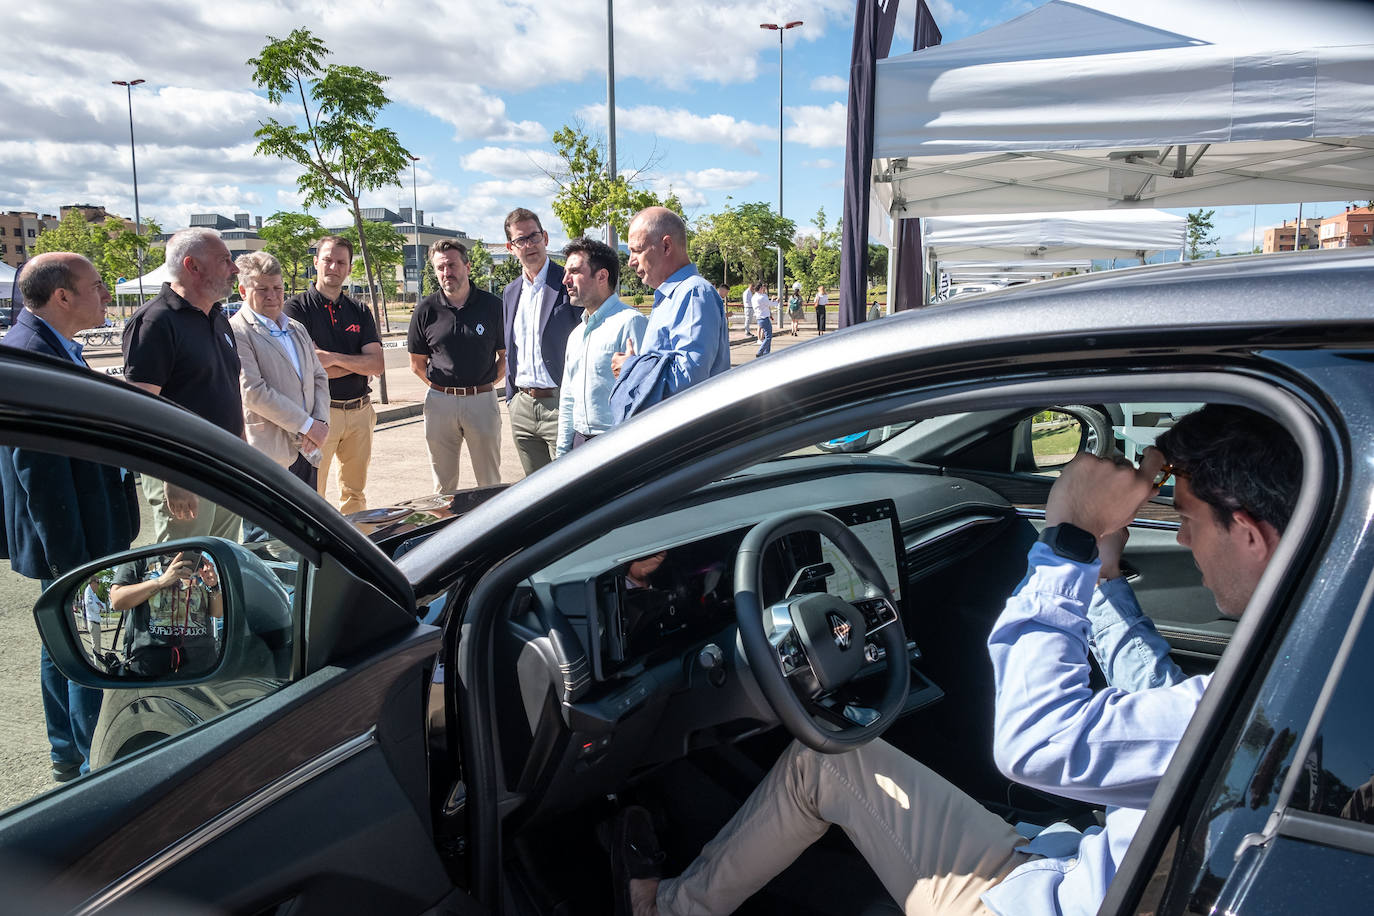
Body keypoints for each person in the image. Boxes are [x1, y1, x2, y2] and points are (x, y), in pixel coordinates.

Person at [615, 404, 1301, 916]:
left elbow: (1034, 744)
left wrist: (1066, 543)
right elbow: (1167, 696)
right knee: (830, 761)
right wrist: (1106, 577)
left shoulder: (1289, 686)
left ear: (1246, 532)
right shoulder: (1312, 664)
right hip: (1073, 864)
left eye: (1186, 516)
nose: (1179, 535)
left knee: (821, 762)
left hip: (1052, 898)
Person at [0, 252, 140, 781]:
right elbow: (38, 469)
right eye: (98, 285)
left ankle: (68, 755)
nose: (106, 295)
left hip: (83, 529)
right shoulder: (32, 355)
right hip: (73, 538)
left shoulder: (51, 347)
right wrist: (71, 563)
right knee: (88, 647)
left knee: (65, 641)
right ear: (62, 296)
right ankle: (90, 768)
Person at [122, 227, 243, 542]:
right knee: (182, 574)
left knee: (220, 567)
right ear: (193, 266)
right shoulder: (154, 322)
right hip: (186, 473)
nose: (235, 269)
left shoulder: (217, 317)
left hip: (226, 467)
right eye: (225, 260)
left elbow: (226, 392)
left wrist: (243, 455)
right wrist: (173, 475)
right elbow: (140, 412)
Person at [284, 236, 384, 515]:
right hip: (319, 414)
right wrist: (355, 363)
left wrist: (332, 359)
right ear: (315, 262)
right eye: (327, 260)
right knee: (312, 495)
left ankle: (353, 552)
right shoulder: (295, 309)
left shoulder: (360, 311)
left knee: (355, 492)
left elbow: (376, 364)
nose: (333, 266)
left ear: (349, 268)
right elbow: (306, 366)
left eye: (341, 262)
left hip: (360, 412)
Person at [610, 207, 729, 419]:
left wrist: (630, 369)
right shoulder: (670, 296)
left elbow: (689, 378)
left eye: (637, 250)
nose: (630, 261)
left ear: (666, 246)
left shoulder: (693, 293)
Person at [408, 240, 505, 491]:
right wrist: (444, 389)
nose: (446, 273)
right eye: (440, 267)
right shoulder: (425, 310)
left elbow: (505, 356)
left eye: (451, 265)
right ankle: (445, 526)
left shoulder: (493, 306)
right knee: (443, 485)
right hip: (440, 403)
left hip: (482, 402)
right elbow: (417, 364)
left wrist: (485, 383)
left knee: (490, 481)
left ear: (467, 266)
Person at [229, 251, 330, 488]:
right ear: (243, 291)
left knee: (306, 524)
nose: (272, 296)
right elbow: (253, 391)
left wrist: (320, 422)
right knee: (267, 526)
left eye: (277, 288)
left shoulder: (296, 328)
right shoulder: (236, 332)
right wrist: (307, 426)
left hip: (308, 451)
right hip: (269, 455)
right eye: (262, 289)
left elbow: (319, 376)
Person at [501, 208, 582, 474]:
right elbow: (512, 348)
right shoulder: (511, 292)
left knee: (568, 486)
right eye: (520, 240)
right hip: (522, 407)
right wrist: (512, 398)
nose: (529, 245)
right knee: (534, 493)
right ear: (511, 248)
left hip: (560, 403)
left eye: (534, 237)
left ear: (545, 238)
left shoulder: (568, 282)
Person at [556, 238, 647, 456]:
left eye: (575, 271)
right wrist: (561, 451)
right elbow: (569, 396)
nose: (565, 280)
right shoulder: (576, 334)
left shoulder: (630, 323)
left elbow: (645, 396)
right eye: (566, 272)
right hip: (579, 444)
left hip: (616, 445)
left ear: (602, 276)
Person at [109, 551, 223, 676]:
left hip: (201, 659)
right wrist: (161, 581)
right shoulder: (141, 558)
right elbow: (117, 600)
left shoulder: (201, 562)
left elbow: (217, 613)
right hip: (149, 663)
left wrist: (213, 586)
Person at [752, 282, 774, 357]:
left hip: (759, 318)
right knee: (768, 336)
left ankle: (766, 352)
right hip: (764, 318)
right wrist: (776, 301)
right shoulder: (762, 297)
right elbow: (769, 304)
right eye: (762, 288)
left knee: (767, 335)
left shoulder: (754, 297)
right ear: (760, 288)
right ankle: (761, 352)